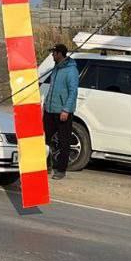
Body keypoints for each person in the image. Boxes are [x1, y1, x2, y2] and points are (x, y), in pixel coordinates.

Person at [43, 43, 79, 180]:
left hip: (62, 112)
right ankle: (47, 165)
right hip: (50, 109)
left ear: (59, 54)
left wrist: (66, 110)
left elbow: (73, 92)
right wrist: (46, 104)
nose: (52, 55)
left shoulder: (71, 70)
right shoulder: (56, 68)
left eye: (54, 53)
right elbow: (52, 89)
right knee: (45, 139)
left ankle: (61, 169)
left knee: (64, 142)